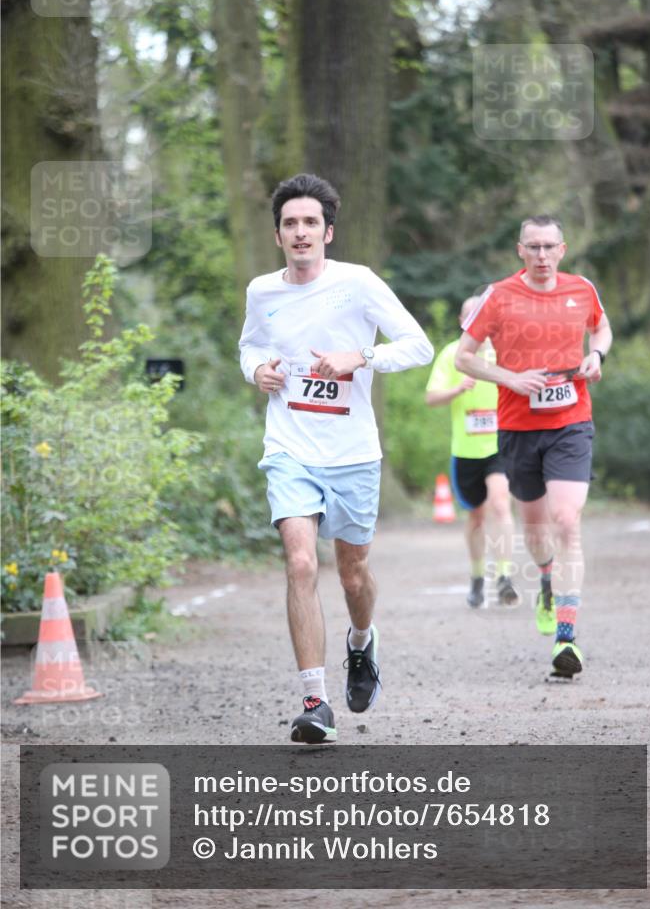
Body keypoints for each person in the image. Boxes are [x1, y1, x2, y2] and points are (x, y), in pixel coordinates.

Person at [239, 173, 433, 743]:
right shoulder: (261, 292)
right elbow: (250, 345)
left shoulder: (360, 283)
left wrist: (361, 356)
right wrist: (258, 370)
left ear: (329, 232)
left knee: (352, 575)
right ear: (278, 236)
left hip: (352, 453)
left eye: (310, 223)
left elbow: (418, 346)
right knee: (301, 563)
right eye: (290, 224)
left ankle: (361, 641)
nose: (301, 233)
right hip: (290, 446)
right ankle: (314, 701)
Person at [455, 215, 612, 678]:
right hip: (518, 427)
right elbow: (465, 354)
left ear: (562, 249)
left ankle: (567, 637)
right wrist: (510, 378)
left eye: (549, 247)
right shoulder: (499, 296)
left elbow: (601, 329)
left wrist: (595, 355)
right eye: (533, 247)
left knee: (567, 521)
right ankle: (546, 579)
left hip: (571, 422)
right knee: (537, 532)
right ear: (519, 250)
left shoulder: (581, 289)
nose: (542, 255)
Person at [425, 296, 517, 608]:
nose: (476, 320)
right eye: (469, 315)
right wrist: (457, 388)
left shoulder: (503, 352)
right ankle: (478, 576)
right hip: (465, 450)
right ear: (462, 321)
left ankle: (504, 576)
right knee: (476, 516)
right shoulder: (452, 354)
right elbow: (431, 398)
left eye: (481, 314)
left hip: (500, 445)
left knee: (501, 504)